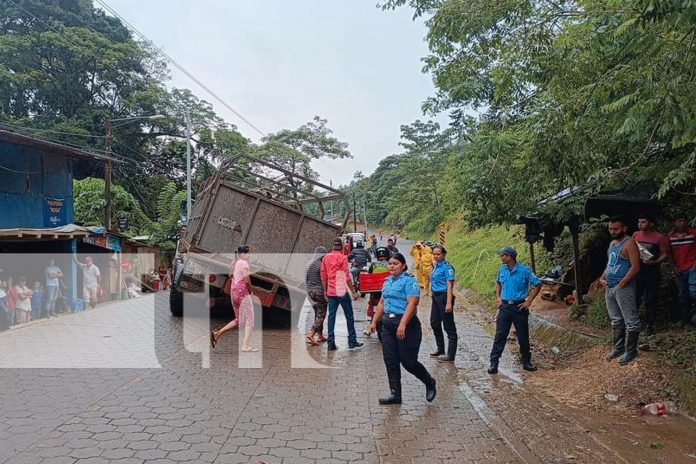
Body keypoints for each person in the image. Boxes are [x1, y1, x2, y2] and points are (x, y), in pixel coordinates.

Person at [368, 253, 437, 404]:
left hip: (407, 326)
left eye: (396, 263)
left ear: (403, 266)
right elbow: (381, 303)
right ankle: (395, 394)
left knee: (408, 361)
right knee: (390, 360)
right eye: (390, 263)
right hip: (387, 326)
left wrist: (403, 324)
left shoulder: (409, 281)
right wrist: (374, 322)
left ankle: (429, 381)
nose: (391, 266)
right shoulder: (387, 281)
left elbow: (413, 304)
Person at [488, 246, 542, 374]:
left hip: (519, 307)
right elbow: (498, 283)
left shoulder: (524, 271)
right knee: (500, 336)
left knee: (523, 336)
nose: (501, 258)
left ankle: (526, 362)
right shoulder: (502, 269)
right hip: (505, 307)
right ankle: (493, 363)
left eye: (502, 255)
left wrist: (529, 301)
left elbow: (538, 284)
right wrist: (498, 297)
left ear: (509, 257)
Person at [601, 216, 642, 364]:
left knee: (631, 320)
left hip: (623, 287)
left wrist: (624, 281)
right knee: (616, 319)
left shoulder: (630, 243)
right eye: (610, 228)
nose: (612, 231)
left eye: (616, 228)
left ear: (624, 228)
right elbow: (610, 263)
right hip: (610, 286)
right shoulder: (612, 244)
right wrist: (602, 277)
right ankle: (618, 348)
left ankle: (631, 350)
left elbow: (635, 266)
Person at [211, 245, 257, 352]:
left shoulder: (234, 262)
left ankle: (217, 334)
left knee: (239, 319)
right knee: (250, 319)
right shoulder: (244, 263)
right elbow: (246, 279)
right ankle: (245, 346)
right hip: (242, 293)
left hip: (233, 292)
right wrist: (250, 291)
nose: (249, 255)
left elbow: (230, 275)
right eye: (248, 253)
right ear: (243, 253)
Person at [321, 237, 363, 351]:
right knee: (349, 316)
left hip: (330, 292)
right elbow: (347, 276)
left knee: (331, 317)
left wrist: (325, 291)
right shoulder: (343, 258)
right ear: (342, 247)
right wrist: (353, 292)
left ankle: (331, 343)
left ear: (332, 246)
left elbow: (323, 276)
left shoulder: (326, 258)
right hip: (341, 291)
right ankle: (352, 341)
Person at [632, 213, 669, 334]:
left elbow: (664, 253)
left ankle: (650, 324)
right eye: (639, 222)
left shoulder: (659, 237)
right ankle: (633, 323)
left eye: (643, 222)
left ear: (651, 223)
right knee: (635, 298)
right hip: (637, 271)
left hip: (652, 272)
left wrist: (655, 262)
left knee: (651, 299)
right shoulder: (636, 235)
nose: (640, 224)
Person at [667, 212, 696, 328]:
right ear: (674, 223)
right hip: (679, 267)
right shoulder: (670, 236)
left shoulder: (693, 233)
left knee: (693, 292)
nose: (682, 223)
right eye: (679, 221)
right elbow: (668, 253)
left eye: (684, 220)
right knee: (682, 294)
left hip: (692, 266)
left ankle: (693, 318)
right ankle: (685, 319)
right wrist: (673, 267)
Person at [429, 245, 458, 362]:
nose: (436, 256)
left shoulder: (447, 267)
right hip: (435, 297)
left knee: (449, 326)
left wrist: (449, 303)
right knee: (434, 323)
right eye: (434, 254)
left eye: (438, 254)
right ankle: (440, 349)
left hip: (444, 297)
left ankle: (451, 355)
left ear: (443, 254)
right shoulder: (435, 266)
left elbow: (450, 285)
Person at [363, 246, 390, 336]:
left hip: (375, 292)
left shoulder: (373, 265)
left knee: (372, 306)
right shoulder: (390, 264)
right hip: (387, 291)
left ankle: (370, 326)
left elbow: (369, 276)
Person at [305, 246, 328, 346]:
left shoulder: (308, 264)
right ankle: (311, 333)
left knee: (318, 313)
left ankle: (320, 335)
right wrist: (326, 292)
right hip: (319, 292)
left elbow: (306, 279)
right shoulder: (321, 265)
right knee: (321, 314)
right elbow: (324, 280)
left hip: (310, 291)